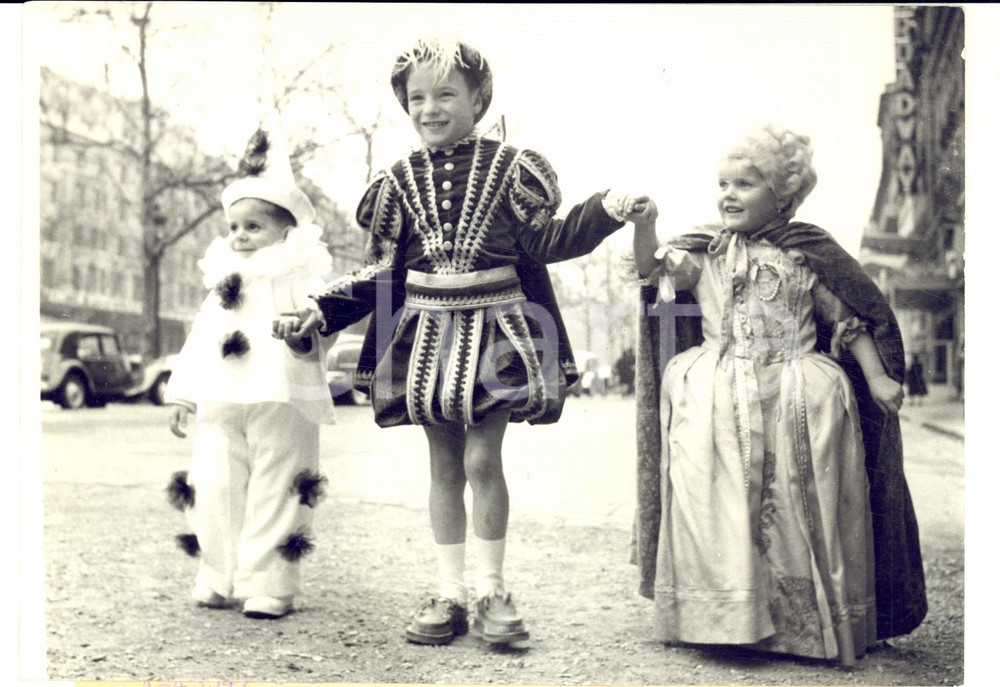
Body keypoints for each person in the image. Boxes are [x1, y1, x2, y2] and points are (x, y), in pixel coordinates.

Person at [301, 38, 646, 648]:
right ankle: (449, 591)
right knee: (442, 466)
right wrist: (320, 310)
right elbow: (384, 271)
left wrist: (606, 210)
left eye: (446, 94)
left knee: (483, 460)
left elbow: (548, 241)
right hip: (426, 332)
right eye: (417, 98)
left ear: (480, 98)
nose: (430, 108)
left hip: (499, 332)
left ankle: (491, 590)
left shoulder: (515, 168)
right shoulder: (396, 182)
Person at [627, 124, 927, 667]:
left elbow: (850, 320)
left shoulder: (809, 255)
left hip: (797, 393)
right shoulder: (707, 252)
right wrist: (646, 226)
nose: (729, 193)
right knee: (716, 499)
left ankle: (796, 624)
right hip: (718, 392)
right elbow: (650, 269)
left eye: (746, 182)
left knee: (795, 501)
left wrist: (879, 378)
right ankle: (724, 615)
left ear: (784, 194)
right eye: (723, 182)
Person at [163, 128, 336, 620]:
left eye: (253, 227)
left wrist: (306, 327)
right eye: (234, 226)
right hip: (222, 397)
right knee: (213, 482)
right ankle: (216, 574)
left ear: (285, 233)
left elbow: (321, 327)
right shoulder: (221, 279)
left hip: (280, 394)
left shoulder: (301, 274)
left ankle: (269, 582)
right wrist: (184, 395)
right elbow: (201, 334)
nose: (239, 236)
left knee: (277, 487)